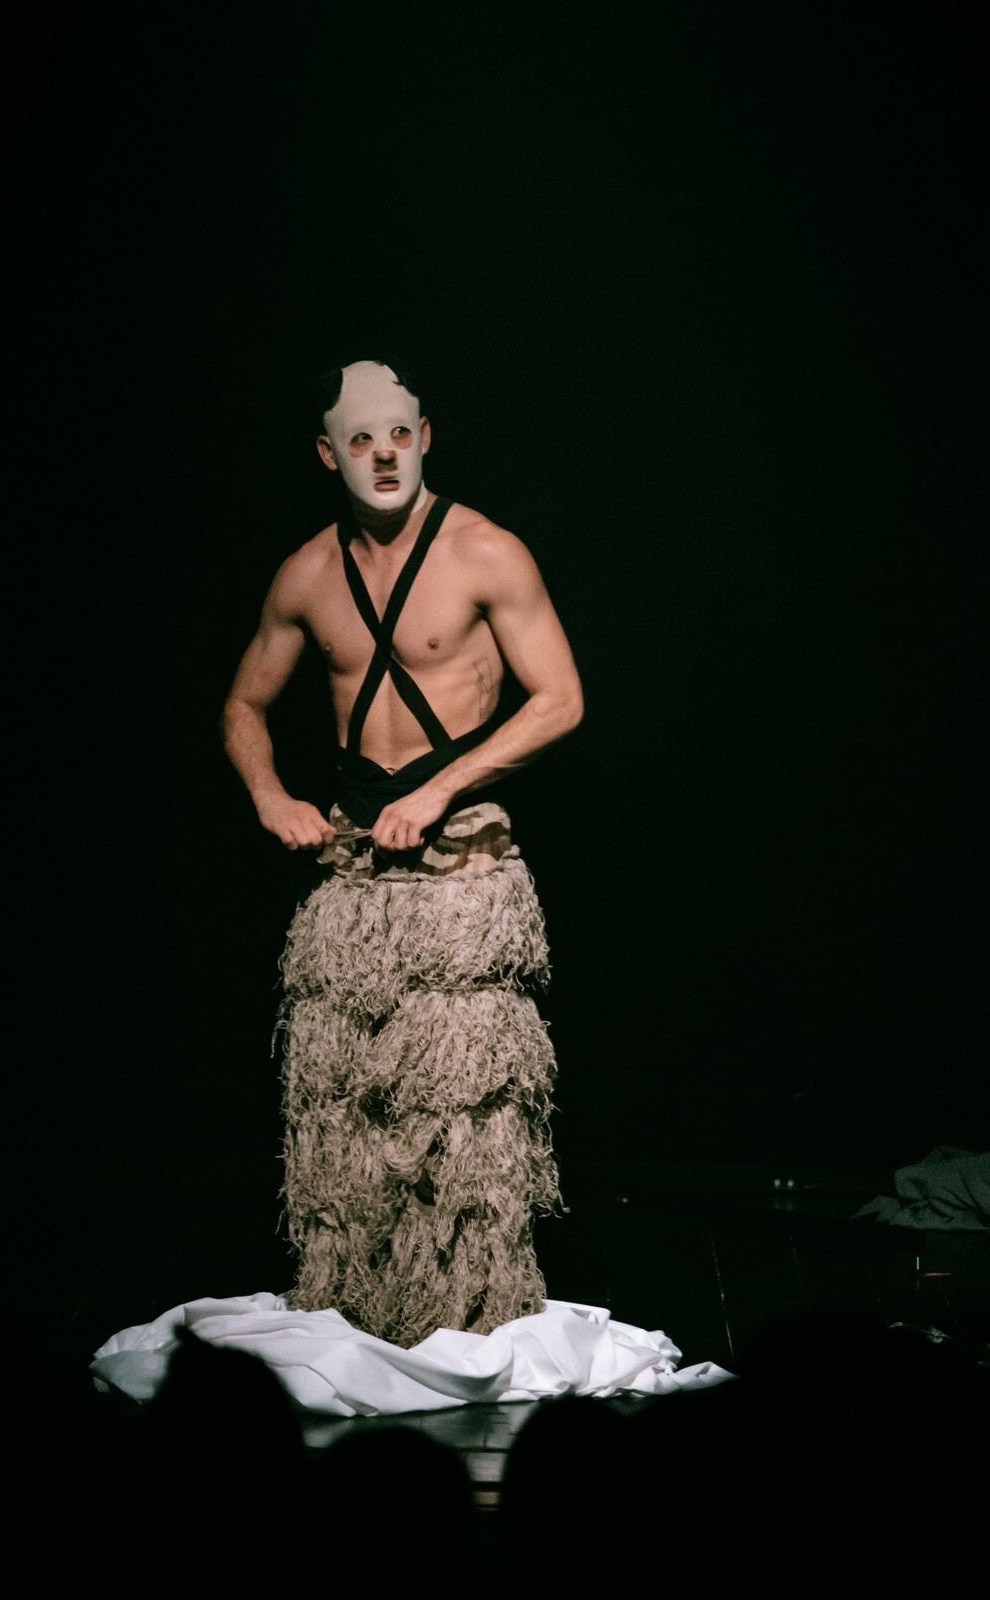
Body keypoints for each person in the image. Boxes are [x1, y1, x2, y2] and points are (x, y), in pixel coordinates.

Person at [221, 358, 585, 1347]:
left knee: (463, 1117)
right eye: (360, 439)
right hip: (350, 871)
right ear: (328, 454)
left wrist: (438, 789)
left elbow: (561, 699)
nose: (382, 455)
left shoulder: (485, 553)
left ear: (423, 439)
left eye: (398, 434)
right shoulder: (306, 574)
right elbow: (244, 702)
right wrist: (270, 795)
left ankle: (467, 1318)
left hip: (461, 868)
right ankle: (361, 1313)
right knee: (341, 1115)